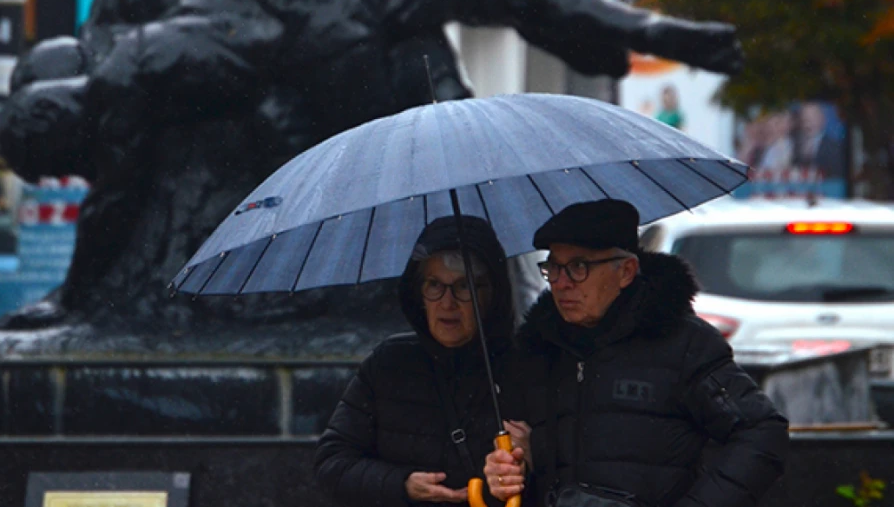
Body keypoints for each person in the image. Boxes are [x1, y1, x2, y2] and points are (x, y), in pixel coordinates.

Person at [484, 199, 788, 507]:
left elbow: (762, 433)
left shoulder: (682, 344)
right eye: (553, 267)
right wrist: (505, 473)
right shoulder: (538, 350)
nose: (561, 284)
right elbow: (513, 469)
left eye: (578, 268)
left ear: (626, 271)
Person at [315, 215, 521, 506]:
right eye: (434, 285)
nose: (447, 303)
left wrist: (529, 458)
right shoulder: (389, 364)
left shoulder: (525, 367)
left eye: (465, 287)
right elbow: (332, 464)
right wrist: (402, 484)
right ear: (418, 292)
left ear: (493, 294)